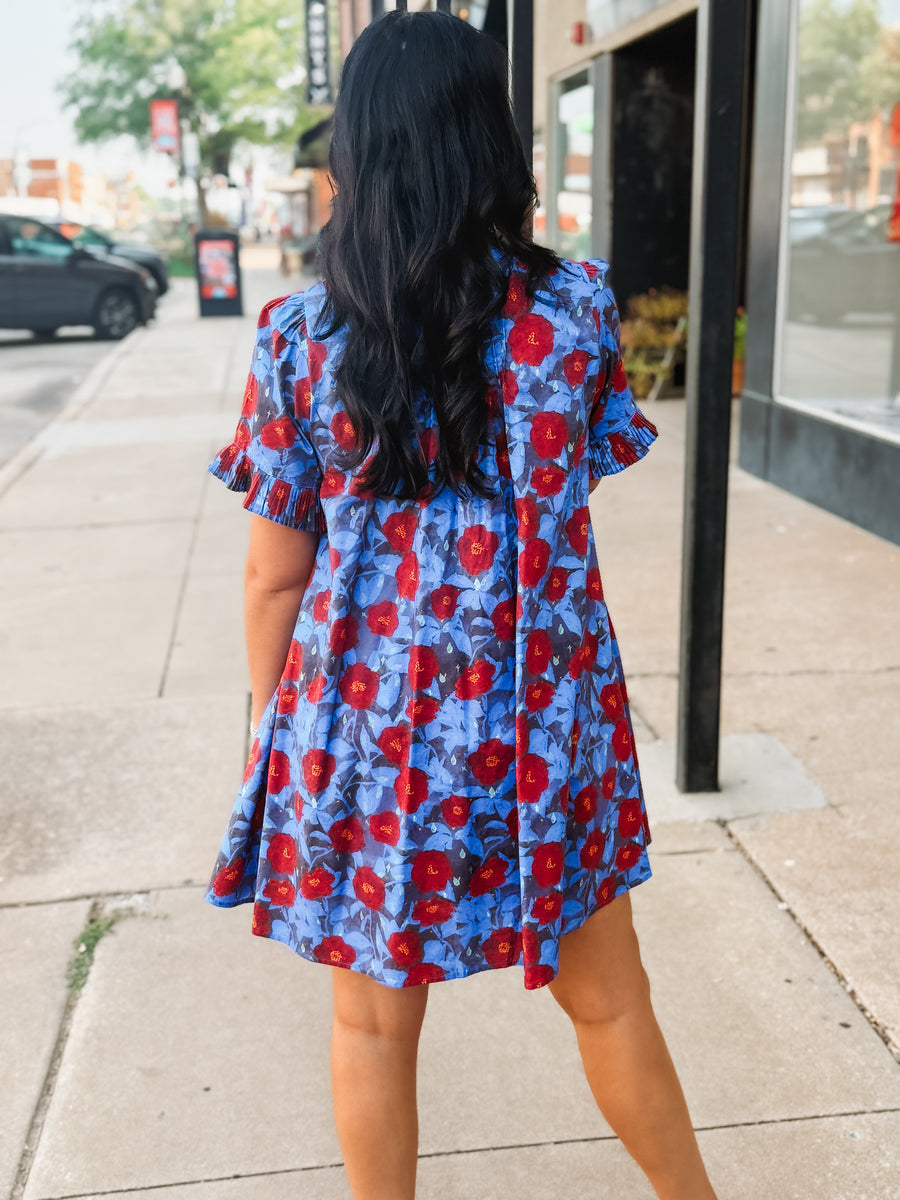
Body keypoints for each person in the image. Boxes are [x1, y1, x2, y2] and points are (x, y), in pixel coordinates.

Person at [204, 10, 719, 1200]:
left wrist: (280, 732)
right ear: (491, 138)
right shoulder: (578, 316)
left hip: (369, 738)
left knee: (373, 1030)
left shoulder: (298, 338)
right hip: (545, 728)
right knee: (614, 1005)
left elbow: (275, 574)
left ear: (361, 149)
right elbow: (559, 492)